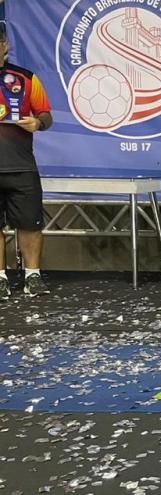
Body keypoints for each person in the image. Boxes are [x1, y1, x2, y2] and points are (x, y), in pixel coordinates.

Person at [0, 21, 53, 298]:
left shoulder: (26, 78)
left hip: (21, 165)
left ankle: (33, 276)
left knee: (30, 224)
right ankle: (0, 279)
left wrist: (37, 123)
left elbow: (46, 115)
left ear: (4, 46)